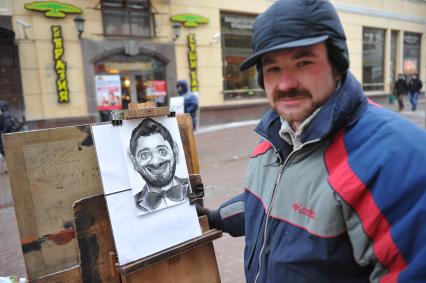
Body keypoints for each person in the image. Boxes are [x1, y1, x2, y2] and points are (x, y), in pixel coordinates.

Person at [198, 0, 426, 282]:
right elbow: (271, 198)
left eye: (303, 62)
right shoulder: (275, 136)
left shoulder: (399, 156)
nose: (285, 83)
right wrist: (215, 217)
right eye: (272, 69)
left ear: (337, 63)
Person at [130, 118, 190, 213]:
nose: (156, 162)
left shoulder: (192, 187)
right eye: (145, 155)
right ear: (134, 162)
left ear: (175, 152)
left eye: (162, 151)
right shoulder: (131, 205)